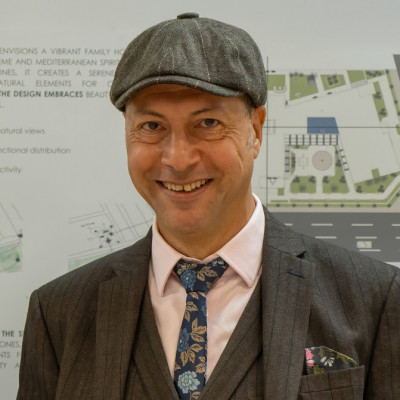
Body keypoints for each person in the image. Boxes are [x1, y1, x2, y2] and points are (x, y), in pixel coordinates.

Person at [18, 13, 399, 400]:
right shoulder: (59, 312)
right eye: (152, 126)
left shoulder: (373, 298)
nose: (178, 159)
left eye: (208, 123)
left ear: (255, 131)